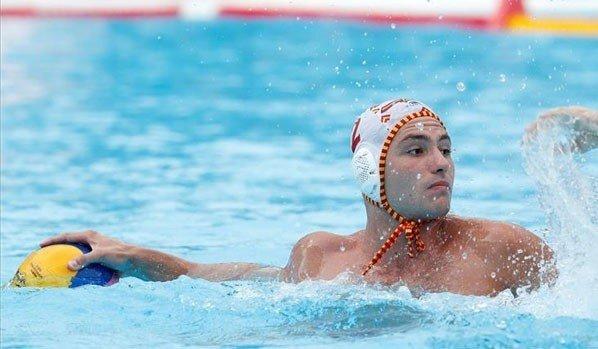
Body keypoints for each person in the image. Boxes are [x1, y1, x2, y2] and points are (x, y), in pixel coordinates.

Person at [41, 100, 595, 296]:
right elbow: (227, 278)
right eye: (416, 150)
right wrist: (133, 256)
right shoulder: (320, 257)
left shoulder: (502, 249)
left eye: (445, 148)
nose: (441, 163)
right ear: (370, 174)